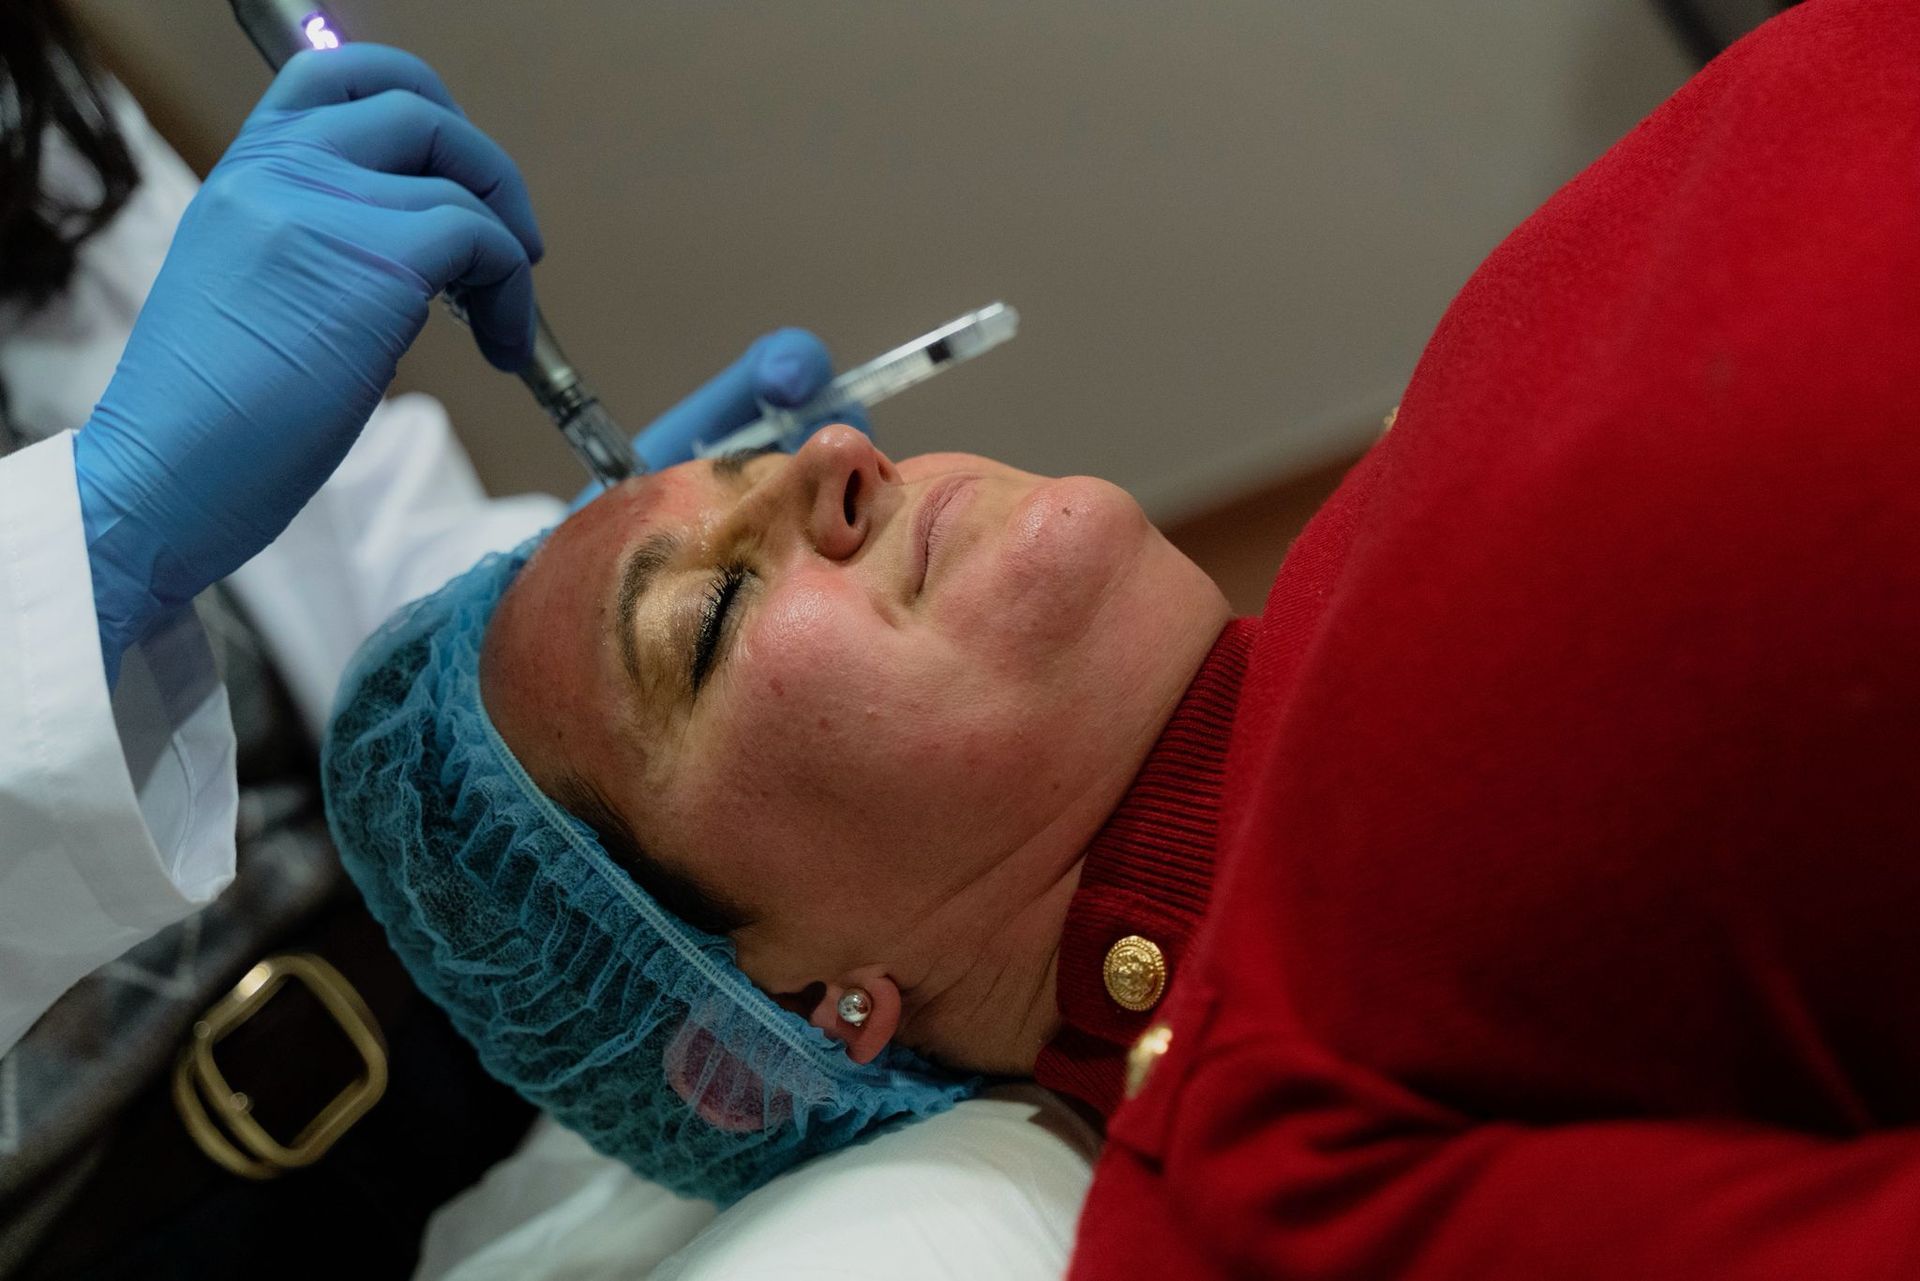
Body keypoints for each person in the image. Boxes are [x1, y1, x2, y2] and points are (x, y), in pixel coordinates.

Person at [323, 0, 1920, 1273]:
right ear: (804, 1005)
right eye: (714, 614)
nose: (839, 455)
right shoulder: (1299, 1162)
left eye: (760, 460)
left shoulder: (1363, 549)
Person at [0, 5, 855, 1270]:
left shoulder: (32, 111)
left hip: (426, 1008)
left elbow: (355, 546)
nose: (839, 463)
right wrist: (98, 540)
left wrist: (542, 606)